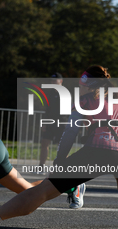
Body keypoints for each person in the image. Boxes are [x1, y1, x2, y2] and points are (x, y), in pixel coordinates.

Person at [0, 65, 118, 229]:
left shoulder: (85, 101)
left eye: (81, 82)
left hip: (102, 149)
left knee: (45, 190)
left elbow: (70, 132)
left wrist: (60, 160)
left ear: (87, 84)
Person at [39, 72, 85, 209]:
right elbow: (47, 110)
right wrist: (44, 123)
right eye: (51, 80)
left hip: (62, 123)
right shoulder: (49, 93)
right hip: (50, 123)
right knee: (44, 144)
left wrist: (67, 123)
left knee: (63, 148)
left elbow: (69, 109)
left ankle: (61, 169)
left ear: (61, 81)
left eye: (55, 80)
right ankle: (42, 166)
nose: (53, 82)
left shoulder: (65, 93)